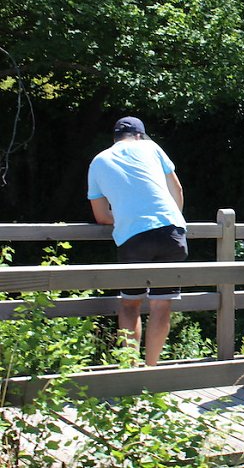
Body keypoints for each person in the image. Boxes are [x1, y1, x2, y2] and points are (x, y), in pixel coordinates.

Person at [87, 117, 187, 366]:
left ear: (115, 139)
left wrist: (126, 216)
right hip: (172, 232)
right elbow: (177, 190)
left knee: (130, 304)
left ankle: (130, 370)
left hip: (133, 237)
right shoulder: (152, 148)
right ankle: (151, 371)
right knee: (161, 306)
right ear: (140, 135)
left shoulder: (99, 161)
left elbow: (101, 216)